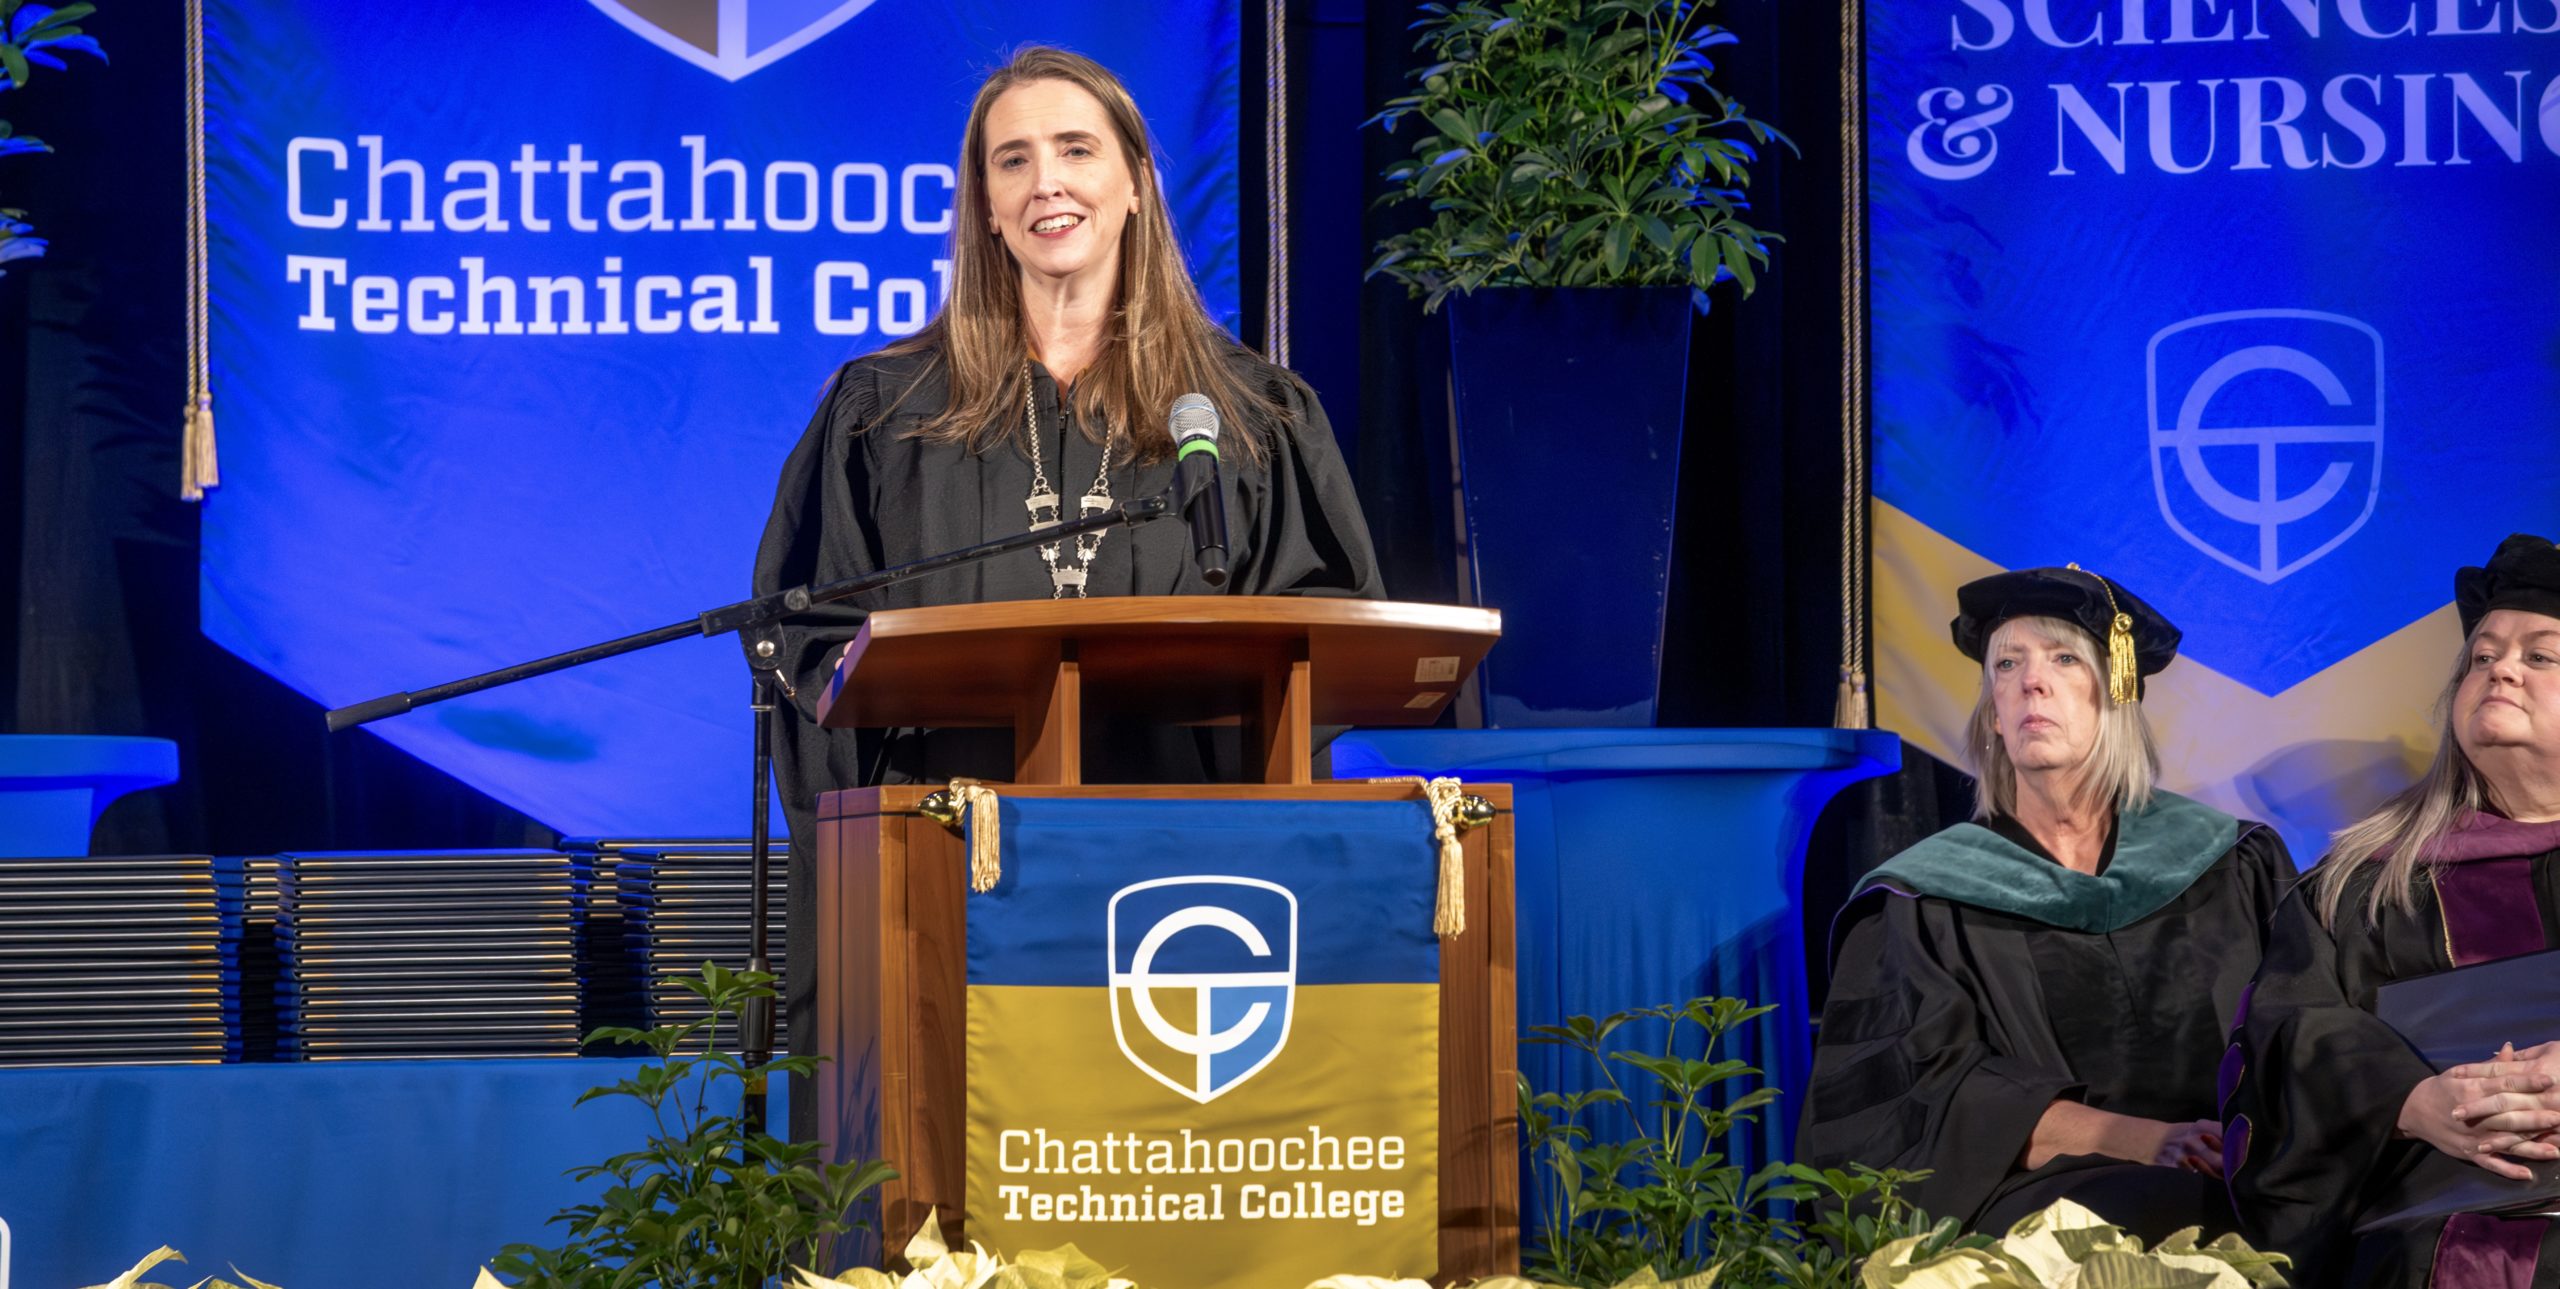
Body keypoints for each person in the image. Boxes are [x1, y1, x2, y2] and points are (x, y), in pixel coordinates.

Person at [744, 46, 1382, 1123]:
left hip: (1183, 907)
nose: (1047, 182)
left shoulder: (1248, 418)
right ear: (986, 209)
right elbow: (809, 644)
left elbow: (1325, 647)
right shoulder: (884, 415)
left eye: (1076, 150)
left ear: (1133, 182)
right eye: (1013, 161)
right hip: (946, 894)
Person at [1800, 565, 2293, 1239]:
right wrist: (2136, 1139)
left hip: (2240, 1171)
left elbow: (2301, 1038)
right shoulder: (1925, 900)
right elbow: (1921, 1099)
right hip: (2034, 1203)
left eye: (2064, 658)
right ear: (1994, 715)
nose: (2033, 680)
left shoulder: (2232, 861)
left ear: (2115, 691)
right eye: (2008, 663)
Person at [2225, 534, 2560, 1285]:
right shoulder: (2361, 883)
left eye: (2541, 656)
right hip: (2430, 1227)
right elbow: (2285, 1034)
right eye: (2482, 655)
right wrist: (2406, 1098)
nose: (2501, 667)